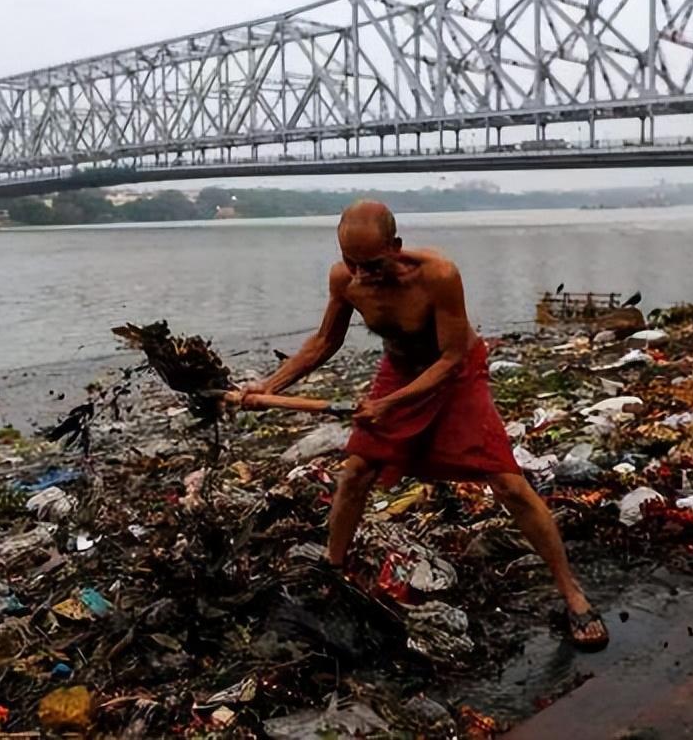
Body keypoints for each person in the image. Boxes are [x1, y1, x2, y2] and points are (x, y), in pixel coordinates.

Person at [240, 201, 609, 650]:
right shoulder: (346, 279)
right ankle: (332, 574)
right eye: (351, 262)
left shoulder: (439, 275)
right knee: (356, 471)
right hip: (398, 370)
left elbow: (453, 358)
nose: (362, 275)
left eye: (372, 264)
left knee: (508, 484)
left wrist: (387, 405)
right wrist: (266, 386)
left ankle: (573, 595)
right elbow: (323, 342)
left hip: (455, 375)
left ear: (396, 247)